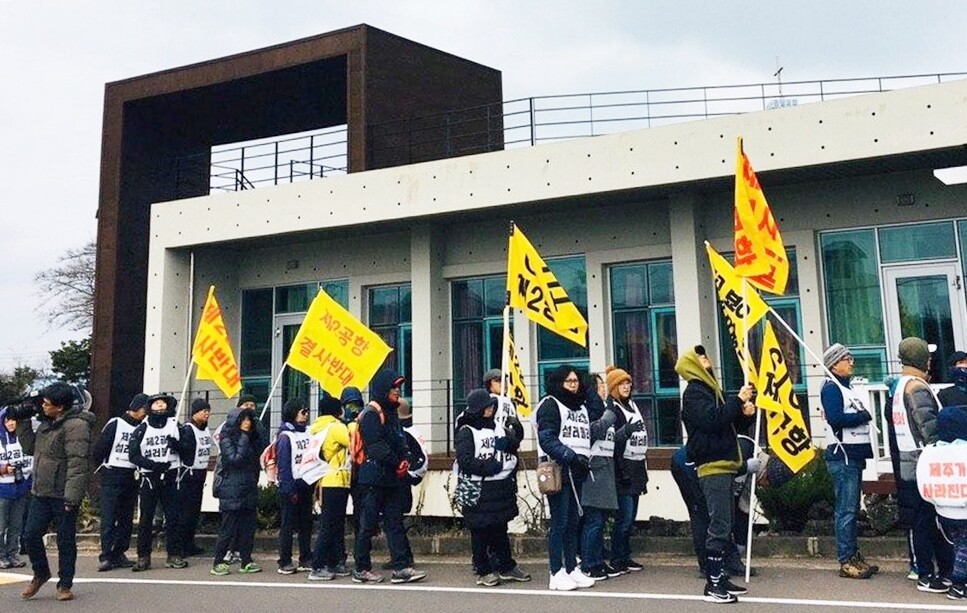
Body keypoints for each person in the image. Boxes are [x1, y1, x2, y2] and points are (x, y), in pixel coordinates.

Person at [677, 345, 754, 604]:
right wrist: (737, 400)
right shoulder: (695, 393)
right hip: (712, 466)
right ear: (692, 364)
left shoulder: (711, 390)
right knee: (719, 524)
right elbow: (712, 421)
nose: (705, 358)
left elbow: (727, 424)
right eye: (699, 356)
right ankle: (712, 582)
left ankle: (719, 576)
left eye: (705, 354)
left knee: (725, 522)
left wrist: (744, 416)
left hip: (724, 463)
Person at [19, 382, 96, 602]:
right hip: (41, 491)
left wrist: (72, 497)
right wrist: (23, 421)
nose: (42, 406)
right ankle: (41, 573)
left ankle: (65, 584)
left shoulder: (76, 426)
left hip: (63, 493)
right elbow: (29, 448)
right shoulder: (46, 424)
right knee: (31, 535)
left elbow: (77, 464)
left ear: (60, 407)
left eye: (47, 403)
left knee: (65, 540)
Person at [886, 337, 951, 592]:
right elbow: (930, 429)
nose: (930, 360)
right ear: (921, 358)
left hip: (908, 462)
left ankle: (927, 571)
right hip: (924, 462)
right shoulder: (917, 388)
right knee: (928, 522)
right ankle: (927, 574)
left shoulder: (899, 386)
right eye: (927, 355)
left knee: (921, 521)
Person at [352, 368, 427, 584]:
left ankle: (401, 567)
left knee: (395, 523)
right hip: (372, 477)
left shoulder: (392, 413)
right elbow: (375, 447)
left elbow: (400, 440)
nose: (398, 391)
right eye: (394, 387)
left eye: (399, 387)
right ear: (384, 389)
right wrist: (397, 461)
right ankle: (361, 567)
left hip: (391, 477)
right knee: (368, 524)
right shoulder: (370, 414)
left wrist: (404, 458)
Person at [455, 388, 528, 586]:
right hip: (477, 488)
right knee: (480, 531)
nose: (491, 409)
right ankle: (483, 569)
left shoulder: (496, 427)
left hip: (499, 488)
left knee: (499, 529)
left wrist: (514, 437)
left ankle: (506, 566)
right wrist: (489, 467)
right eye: (487, 407)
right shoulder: (466, 431)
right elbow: (465, 460)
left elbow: (512, 443)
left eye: (491, 406)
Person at [819, 343, 878, 579]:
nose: (851, 362)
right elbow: (835, 418)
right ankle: (846, 559)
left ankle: (854, 554)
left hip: (854, 454)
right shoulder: (832, 388)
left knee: (852, 508)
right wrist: (861, 416)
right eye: (846, 358)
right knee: (846, 510)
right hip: (842, 455)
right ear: (834, 364)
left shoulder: (848, 388)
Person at [535, 365, 595, 591]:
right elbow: (546, 438)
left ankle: (571, 567)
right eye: (569, 381)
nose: (574, 384)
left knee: (573, 521)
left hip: (577, 469)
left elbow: (597, 411)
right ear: (559, 382)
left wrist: (588, 389)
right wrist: (569, 455)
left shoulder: (580, 406)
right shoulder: (551, 404)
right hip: (559, 469)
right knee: (559, 522)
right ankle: (555, 571)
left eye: (576, 380)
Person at [128, 393, 190, 571]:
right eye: (157, 404)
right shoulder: (142, 428)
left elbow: (187, 451)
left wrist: (176, 445)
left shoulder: (175, 426)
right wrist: (153, 465)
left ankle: (174, 555)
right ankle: (143, 557)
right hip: (150, 478)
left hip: (171, 477)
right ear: (150, 407)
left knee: (173, 518)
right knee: (146, 519)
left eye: (163, 403)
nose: (160, 407)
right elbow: (133, 455)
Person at [91, 393, 147, 571]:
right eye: (144, 409)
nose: (145, 413)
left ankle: (119, 552)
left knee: (126, 518)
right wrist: (103, 468)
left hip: (131, 474)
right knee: (109, 517)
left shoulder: (142, 427)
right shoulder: (116, 423)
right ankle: (106, 555)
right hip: (113, 472)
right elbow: (99, 449)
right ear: (136, 408)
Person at [211, 403, 269, 576]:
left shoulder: (251, 438)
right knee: (228, 529)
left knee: (248, 529)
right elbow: (235, 459)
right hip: (231, 489)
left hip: (248, 488)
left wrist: (257, 432)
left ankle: (246, 560)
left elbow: (261, 450)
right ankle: (218, 561)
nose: (247, 422)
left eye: (249, 419)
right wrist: (244, 437)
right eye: (243, 419)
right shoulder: (226, 438)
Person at [920, 394, 967, 599]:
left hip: (943, 510)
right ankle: (958, 584)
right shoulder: (964, 450)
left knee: (958, 544)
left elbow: (923, 482)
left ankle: (956, 578)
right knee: (964, 547)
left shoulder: (931, 452)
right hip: (964, 509)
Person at [606, 366, 649, 575]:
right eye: (621, 383)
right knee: (624, 518)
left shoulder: (632, 405)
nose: (626, 386)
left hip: (637, 467)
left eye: (628, 383)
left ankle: (625, 555)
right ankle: (617, 557)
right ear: (613, 387)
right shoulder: (613, 409)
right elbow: (612, 441)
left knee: (630, 518)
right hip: (623, 469)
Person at [307, 395, 352, 581]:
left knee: (331, 524)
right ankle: (317, 565)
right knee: (331, 525)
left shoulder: (316, 428)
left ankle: (333, 561)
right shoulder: (336, 428)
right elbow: (353, 441)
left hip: (323, 479)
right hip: (337, 479)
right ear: (338, 410)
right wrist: (353, 424)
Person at [578, 370, 618, 581]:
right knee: (593, 519)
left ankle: (597, 560)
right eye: (601, 385)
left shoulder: (603, 408)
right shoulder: (587, 410)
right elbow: (591, 432)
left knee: (600, 520)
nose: (605, 388)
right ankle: (588, 563)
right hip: (594, 469)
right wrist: (607, 419)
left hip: (606, 467)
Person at [276, 397, 314, 574]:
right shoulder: (285, 436)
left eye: (307, 412)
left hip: (306, 482)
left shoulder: (308, 432)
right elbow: (283, 465)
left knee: (306, 524)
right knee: (288, 524)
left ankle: (306, 557)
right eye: (302, 412)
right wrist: (288, 488)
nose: (306, 416)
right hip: (290, 484)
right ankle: (284, 560)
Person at [179, 397, 213, 557]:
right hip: (188, 475)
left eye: (208, 411)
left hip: (200, 474)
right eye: (204, 411)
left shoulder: (205, 429)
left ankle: (190, 542)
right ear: (195, 413)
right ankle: (183, 545)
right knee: (186, 511)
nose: (207, 414)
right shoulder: (187, 429)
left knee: (194, 511)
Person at [0, 405, 32, 570]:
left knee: (16, 526)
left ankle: (13, 554)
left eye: (13, 420)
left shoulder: (23, 438)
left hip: (21, 487)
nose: (11, 423)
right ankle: (1, 555)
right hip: (2, 489)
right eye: (7, 420)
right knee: (1, 525)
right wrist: (4, 468)